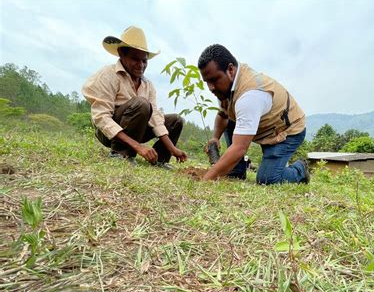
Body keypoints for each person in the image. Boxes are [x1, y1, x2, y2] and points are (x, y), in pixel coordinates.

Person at [198, 44, 309, 184]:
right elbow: (223, 114)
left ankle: (299, 170)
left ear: (230, 69)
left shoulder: (250, 96)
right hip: (263, 126)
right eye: (207, 82)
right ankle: (237, 170)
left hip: (285, 131)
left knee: (267, 179)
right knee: (232, 119)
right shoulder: (226, 87)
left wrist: (206, 179)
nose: (210, 88)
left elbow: (239, 147)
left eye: (214, 80)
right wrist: (215, 138)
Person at [82, 26, 187, 168]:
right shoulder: (109, 74)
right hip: (109, 134)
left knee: (176, 120)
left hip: (138, 131)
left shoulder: (147, 85)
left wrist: (172, 149)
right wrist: (138, 147)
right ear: (121, 54)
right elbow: (102, 118)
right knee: (142, 104)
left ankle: (160, 160)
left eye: (144, 61)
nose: (141, 65)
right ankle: (120, 153)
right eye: (135, 59)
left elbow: (155, 118)